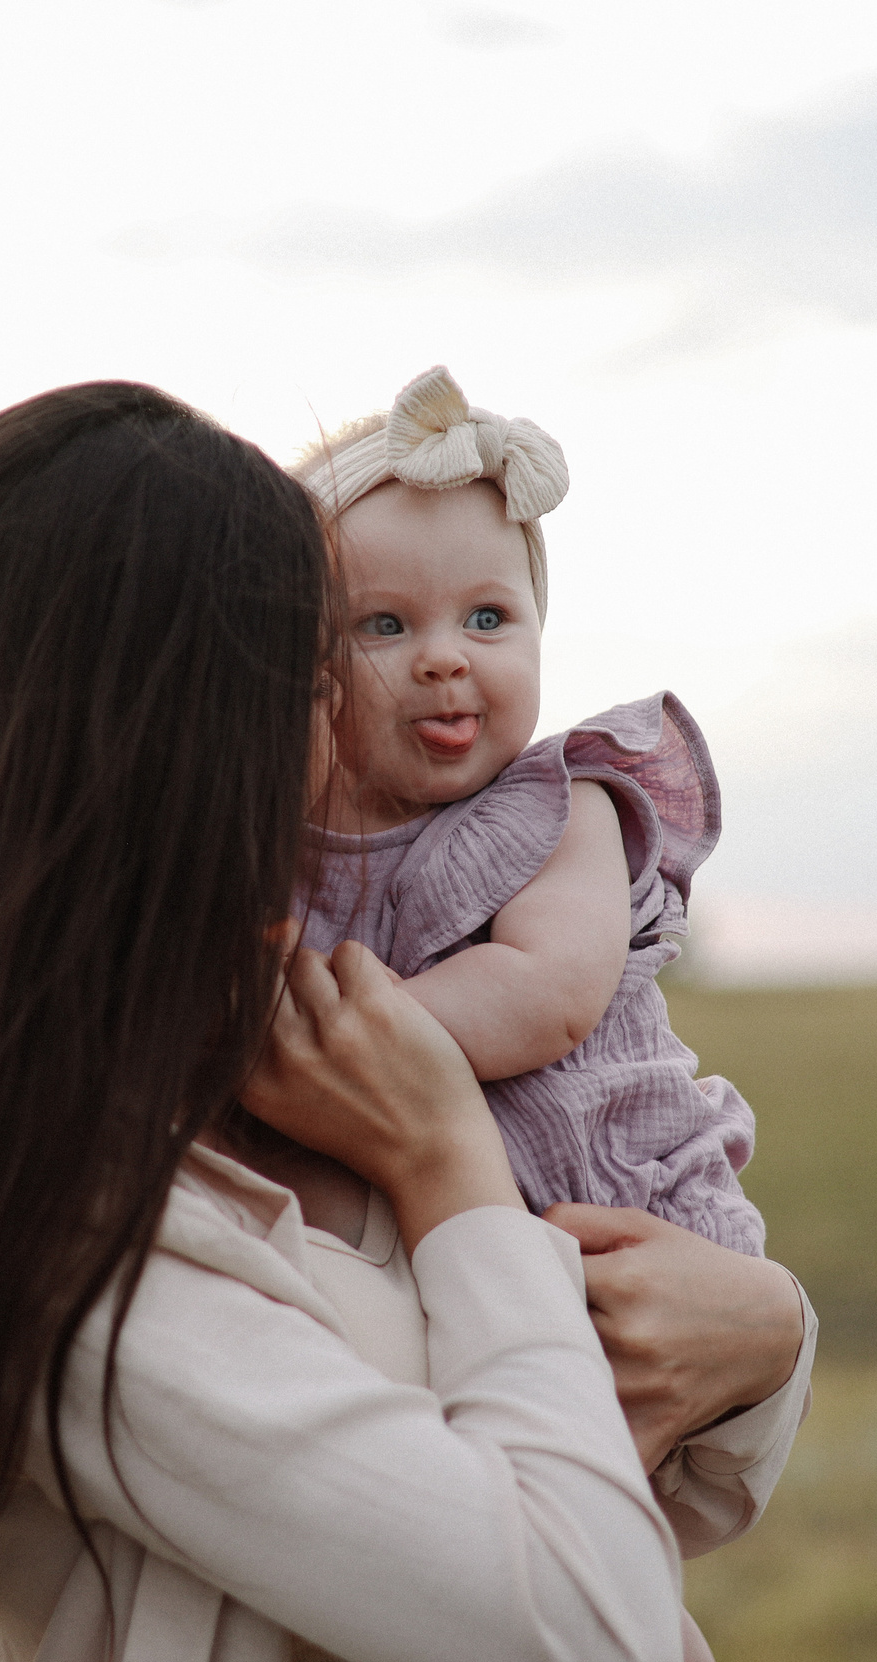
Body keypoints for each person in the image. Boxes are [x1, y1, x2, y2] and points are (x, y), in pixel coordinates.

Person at [0, 381, 816, 1662]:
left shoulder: (270, 1054)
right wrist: (447, 1156)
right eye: (323, 664)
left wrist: (766, 1335)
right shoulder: (60, 1228)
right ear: (179, 741)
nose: (346, 714)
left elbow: (622, 1458)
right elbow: (591, 1637)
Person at [292, 366, 764, 1258]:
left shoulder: (560, 811)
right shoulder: (295, 840)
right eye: (384, 626)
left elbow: (545, 993)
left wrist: (347, 1023)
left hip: (625, 1200)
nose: (442, 658)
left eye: (486, 616)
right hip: (449, 1226)